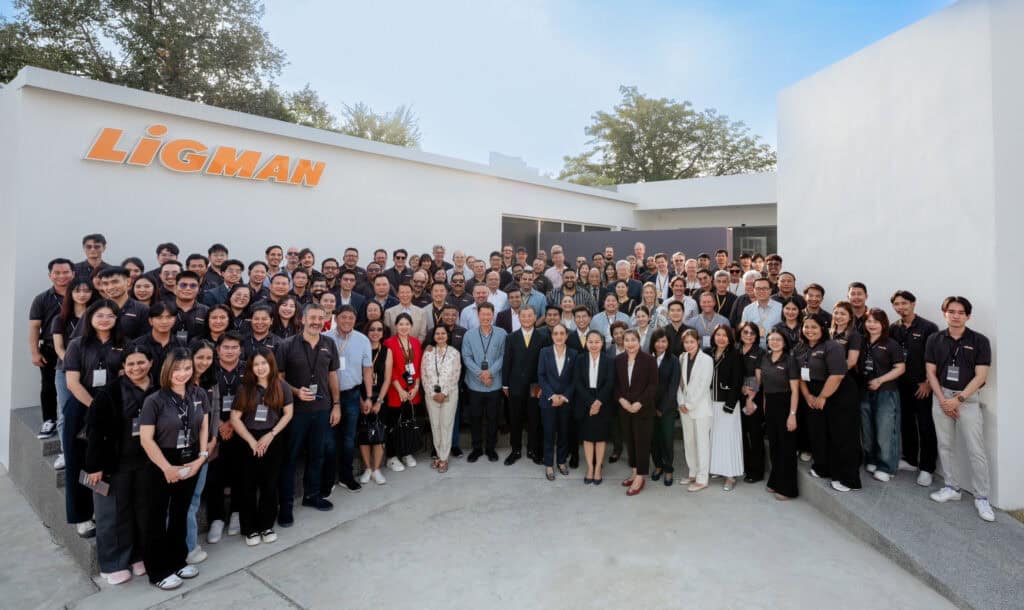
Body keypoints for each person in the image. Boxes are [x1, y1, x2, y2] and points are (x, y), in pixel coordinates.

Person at [84, 345, 157, 584]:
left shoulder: (158, 389)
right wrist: (94, 466)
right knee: (113, 513)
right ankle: (112, 563)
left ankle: (138, 555)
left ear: (151, 363)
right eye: (131, 364)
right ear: (124, 368)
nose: (136, 368)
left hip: (146, 462)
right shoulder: (110, 392)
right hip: (115, 464)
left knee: (143, 511)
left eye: (141, 362)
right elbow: (95, 431)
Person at [138, 348, 209, 590]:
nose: (182, 373)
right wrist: (166, 467)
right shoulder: (154, 400)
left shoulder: (198, 393)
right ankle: (158, 571)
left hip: (190, 457)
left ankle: (177, 561)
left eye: (187, 368)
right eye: (177, 369)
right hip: (161, 460)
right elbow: (146, 439)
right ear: (167, 370)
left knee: (180, 511)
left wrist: (201, 457)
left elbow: (203, 427)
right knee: (157, 517)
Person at [924, 296, 994, 522]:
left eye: (960, 312)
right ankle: (952, 487)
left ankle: (982, 497)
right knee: (946, 445)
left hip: (968, 399)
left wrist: (959, 400)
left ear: (967, 316)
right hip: (941, 396)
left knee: (976, 449)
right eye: (951, 311)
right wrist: (944, 399)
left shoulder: (980, 340)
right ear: (945, 313)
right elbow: (931, 373)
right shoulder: (935, 339)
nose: (955, 315)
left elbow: (981, 376)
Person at [62, 299, 126, 538]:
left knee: (100, 460)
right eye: (100, 315)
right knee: (78, 461)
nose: (105, 320)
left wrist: (106, 410)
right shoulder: (77, 344)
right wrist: (95, 407)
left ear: (117, 319)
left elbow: (124, 378)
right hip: (80, 408)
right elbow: (72, 382)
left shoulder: (123, 345)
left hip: (112, 408)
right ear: (90, 317)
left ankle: (99, 507)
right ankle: (82, 515)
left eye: (110, 315)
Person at [275, 304, 341, 526]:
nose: (316, 321)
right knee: (289, 458)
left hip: (322, 410)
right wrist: (295, 392)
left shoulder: (329, 343)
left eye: (320, 318)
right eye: (312, 317)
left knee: (317, 455)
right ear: (302, 320)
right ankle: (285, 505)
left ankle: (312, 495)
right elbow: (278, 378)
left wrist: (337, 404)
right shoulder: (286, 345)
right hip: (295, 412)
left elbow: (332, 376)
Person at [230, 348, 294, 546]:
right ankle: (249, 529)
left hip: (272, 438)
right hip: (248, 439)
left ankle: (266, 525)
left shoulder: (281, 386)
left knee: (269, 485)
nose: (260, 368)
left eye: (264, 363)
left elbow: (288, 414)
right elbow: (235, 418)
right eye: (256, 364)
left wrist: (271, 434)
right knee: (247, 486)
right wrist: (251, 440)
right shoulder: (245, 389)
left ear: (271, 364)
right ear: (251, 367)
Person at [798, 313, 862, 492]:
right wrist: (809, 396)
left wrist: (823, 397)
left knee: (841, 435)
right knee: (819, 432)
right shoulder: (800, 348)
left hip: (838, 394)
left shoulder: (832, 346)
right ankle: (823, 467)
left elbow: (838, 374)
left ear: (822, 329)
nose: (809, 330)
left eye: (814, 327)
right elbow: (799, 375)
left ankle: (847, 478)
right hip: (813, 393)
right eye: (806, 327)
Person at [321, 306, 374, 494]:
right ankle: (328, 480)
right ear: (337, 318)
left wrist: (368, 396)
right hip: (328, 397)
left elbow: (367, 370)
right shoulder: (325, 337)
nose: (347, 321)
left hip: (352, 395)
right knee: (329, 441)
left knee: (349, 439)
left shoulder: (362, 340)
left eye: (351, 318)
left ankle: (346, 476)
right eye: (343, 317)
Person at [889, 290, 939, 487]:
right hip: (900, 385)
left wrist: (928, 381)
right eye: (897, 304)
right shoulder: (894, 328)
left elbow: (935, 357)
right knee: (906, 423)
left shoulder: (928, 328)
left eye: (904, 303)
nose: (901, 307)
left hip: (922, 385)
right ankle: (910, 460)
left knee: (926, 426)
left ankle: (927, 468)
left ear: (913, 304)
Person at [204, 332, 246, 544]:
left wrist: (232, 422)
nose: (230, 351)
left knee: (240, 472)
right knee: (215, 475)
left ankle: (237, 512)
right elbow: (201, 398)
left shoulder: (248, 369)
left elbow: (255, 397)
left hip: (240, 427)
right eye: (226, 347)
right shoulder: (208, 368)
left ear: (240, 349)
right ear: (217, 349)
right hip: (213, 430)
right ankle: (217, 518)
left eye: (234, 347)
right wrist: (219, 424)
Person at [859, 308, 906, 482]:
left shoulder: (891, 344)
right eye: (869, 321)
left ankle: (887, 467)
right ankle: (871, 459)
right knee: (868, 429)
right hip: (864, 391)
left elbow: (900, 368)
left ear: (883, 324)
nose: (872, 325)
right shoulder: (862, 342)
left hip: (886, 392)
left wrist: (880, 380)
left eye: (876, 322)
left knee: (885, 431)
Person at [29, 257, 74, 439]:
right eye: (57, 273)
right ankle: (49, 420)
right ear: (50, 275)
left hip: (76, 349)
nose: (61, 276)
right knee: (48, 386)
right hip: (50, 348)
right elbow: (34, 327)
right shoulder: (42, 299)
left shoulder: (82, 294)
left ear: (73, 274)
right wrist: (34, 352)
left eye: (66, 272)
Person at [501, 306, 549, 465]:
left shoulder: (542, 337)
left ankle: (533, 450)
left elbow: (545, 364)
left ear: (535, 318)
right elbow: (507, 362)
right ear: (519, 318)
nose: (527, 319)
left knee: (534, 419)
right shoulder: (511, 337)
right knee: (515, 419)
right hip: (515, 384)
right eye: (524, 316)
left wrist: (544, 385)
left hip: (535, 385)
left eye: (530, 316)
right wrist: (505, 384)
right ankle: (515, 450)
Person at [757, 330, 800, 500]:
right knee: (774, 446)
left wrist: (792, 414)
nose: (774, 342)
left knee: (786, 448)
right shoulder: (765, 358)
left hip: (786, 404)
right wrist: (765, 410)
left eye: (778, 339)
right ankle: (774, 481)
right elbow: (765, 387)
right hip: (771, 406)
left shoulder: (790, 360)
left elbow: (795, 391)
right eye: (771, 339)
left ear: (784, 342)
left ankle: (788, 489)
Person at [461, 303, 507, 462]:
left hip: (494, 384)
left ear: (493, 315)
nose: (486, 318)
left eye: (489, 314)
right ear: (478, 315)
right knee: (475, 417)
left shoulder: (502, 334)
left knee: (493, 417)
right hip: (474, 384)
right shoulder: (469, 335)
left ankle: (491, 448)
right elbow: (466, 357)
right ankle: (476, 448)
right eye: (483, 314)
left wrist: (490, 373)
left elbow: (503, 356)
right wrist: (481, 373)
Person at [615, 329, 658, 496]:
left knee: (642, 443)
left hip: (643, 409)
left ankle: (641, 476)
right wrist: (622, 401)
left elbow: (653, 385)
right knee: (630, 442)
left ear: (639, 341)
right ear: (622, 342)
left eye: (633, 340)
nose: (630, 343)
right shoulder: (618, 360)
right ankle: (634, 472)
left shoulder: (649, 360)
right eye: (627, 340)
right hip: (625, 409)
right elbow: (616, 385)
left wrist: (639, 403)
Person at [185, 339, 215, 566]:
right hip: (182, 451)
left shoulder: (209, 383)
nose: (204, 362)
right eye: (200, 357)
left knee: (194, 498)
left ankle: (190, 544)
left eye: (208, 358)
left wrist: (210, 444)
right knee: (183, 501)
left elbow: (212, 416)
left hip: (203, 449)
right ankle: (188, 547)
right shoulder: (180, 381)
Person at [382, 313, 423, 470]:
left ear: (411, 326)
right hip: (395, 390)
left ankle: (406, 453)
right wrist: (399, 389)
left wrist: (417, 386)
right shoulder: (389, 343)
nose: (404, 327)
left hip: (413, 390)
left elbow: (418, 366)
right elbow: (389, 369)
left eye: (407, 324)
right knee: (394, 424)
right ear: (395, 326)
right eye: (401, 324)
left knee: (408, 422)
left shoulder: (415, 342)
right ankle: (392, 457)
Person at [572, 330, 614, 485]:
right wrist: (591, 402)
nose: (594, 345)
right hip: (585, 401)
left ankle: (598, 468)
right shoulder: (580, 359)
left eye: (597, 342)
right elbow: (577, 382)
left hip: (603, 401)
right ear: (586, 343)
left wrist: (598, 402)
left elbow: (610, 383)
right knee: (588, 437)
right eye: (591, 341)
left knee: (600, 437)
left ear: (602, 343)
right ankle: (590, 467)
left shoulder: (609, 360)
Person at [537, 323, 577, 481]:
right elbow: (541, 376)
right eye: (556, 334)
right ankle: (548, 464)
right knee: (548, 433)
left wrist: (564, 397)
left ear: (566, 336)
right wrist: (552, 395)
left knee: (564, 433)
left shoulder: (573, 354)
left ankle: (561, 461)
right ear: (552, 336)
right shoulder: (544, 352)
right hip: (548, 401)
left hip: (565, 402)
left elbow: (574, 379)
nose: (559, 336)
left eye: (562, 333)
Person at [707, 325, 744, 490]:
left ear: (730, 338)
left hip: (727, 403)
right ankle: (717, 468)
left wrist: (730, 405)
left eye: (724, 335)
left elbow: (737, 381)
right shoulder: (708, 352)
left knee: (728, 439)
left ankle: (731, 475)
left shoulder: (735, 355)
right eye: (718, 335)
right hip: (710, 402)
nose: (721, 338)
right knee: (715, 438)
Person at [675, 329, 713, 491]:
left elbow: (704, 385)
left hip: (701, 408)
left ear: (698, 341)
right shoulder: (682, 357)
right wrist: (681, 402)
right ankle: (693, 472)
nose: (689, 345)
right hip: (684, 408)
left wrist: (689, 404)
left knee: (702, 443)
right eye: (686, 342)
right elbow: (680, 383)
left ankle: (702, 478)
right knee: (689, 441)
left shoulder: (706, 359)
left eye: (692, 341)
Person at [421, 325, 462, 473]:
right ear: (433, 336)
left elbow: (455, 375)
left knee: (446, 425)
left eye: (443, 333)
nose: (440, 336)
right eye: (437, 333)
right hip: (431, 395)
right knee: (435, 426)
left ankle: (444, 458)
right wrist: (432, 393)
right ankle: (438, 455)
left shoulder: (454, 353)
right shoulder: (427, 353)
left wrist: (443, 393)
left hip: (449, 394)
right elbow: (423, 375)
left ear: (448, 335)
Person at [357, 320, 391, 485]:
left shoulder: (387, 351)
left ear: (383, 332)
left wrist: (379, 401)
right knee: (363, 434)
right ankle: (367, 468)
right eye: (372, 329)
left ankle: (376, 469)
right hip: (361, 396)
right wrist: (361, 400)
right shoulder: (359, 349)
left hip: (380, 397)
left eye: (379, 329)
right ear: (366, 331)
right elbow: (355, 378)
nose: (375, 332)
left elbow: (387, 379)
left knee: (379, 434)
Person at [649, 329, 681, 487]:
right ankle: (658, 465)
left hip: (667, 408)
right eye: (657, 341)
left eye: (664, 341)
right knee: (653, 439)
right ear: (653, 342)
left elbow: (673, 387)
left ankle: (668, 468)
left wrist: (661, 408)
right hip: (649, 407)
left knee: (667, 439)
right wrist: (651, 406)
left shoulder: (674, 360)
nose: (660, 344)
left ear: (668, 343)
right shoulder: (648, 359)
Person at [737, 322, 766, 483]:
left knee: (754, 435)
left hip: (752, 398)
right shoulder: (735, 349)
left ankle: (757, 472)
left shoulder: (760, 352)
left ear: (757, 336)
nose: (748, 335)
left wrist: (750, 399)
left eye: (752, 333)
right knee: (741, 434)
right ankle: (745, 467)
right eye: (746, 332)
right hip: (737, 398)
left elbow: (758, 378)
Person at [741, 278, 782, 348]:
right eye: (758, 288)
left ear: (770, 290)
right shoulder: (747, 309)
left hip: (774, 349)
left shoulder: (780, 308)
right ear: (754, 290)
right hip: (753, 349)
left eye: (765, 288)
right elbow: (744, 331)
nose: (761, 291)